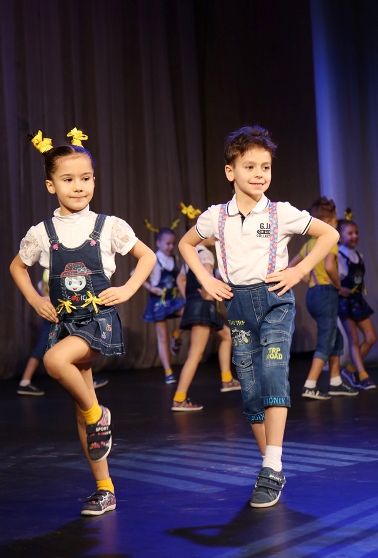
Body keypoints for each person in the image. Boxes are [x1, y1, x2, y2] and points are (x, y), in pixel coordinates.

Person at [179, 125, 339, 508]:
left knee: (273, 372)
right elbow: (186, 244)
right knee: (250, 390)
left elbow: (328, 235)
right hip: (237, 305)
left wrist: (298, 271)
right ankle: (271, 466)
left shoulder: (280, 213)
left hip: (274, 301)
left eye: (265, 167)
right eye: (249, 166)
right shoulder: (216, 217)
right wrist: (206, 278)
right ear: (230, 171)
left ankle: (271, 466)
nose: (259, 174)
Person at [10, 129, 156, 516]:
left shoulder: (109, 226)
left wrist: (127, 289)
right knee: (81, 409)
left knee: (54, 361)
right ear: (51, 185)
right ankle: (105, 489)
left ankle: (99, 415)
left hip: (97, 322)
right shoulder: (42, 233)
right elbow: (17, 267)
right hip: (65, 323)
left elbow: (147, 257)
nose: (78, 186)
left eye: (86, 178)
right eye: (68, 179)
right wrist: (36, 300)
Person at [288, 198, 358, 400]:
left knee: (335, 335)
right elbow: (329, 267)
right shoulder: (330, 241)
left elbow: (292, 266)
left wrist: (310, 280)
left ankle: (335, 381)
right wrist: (338, 285)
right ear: (327, 223)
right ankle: (310, 384)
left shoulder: (309, 244)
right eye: (335, 222)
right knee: (327, 337)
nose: (336, 226)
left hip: (313, 294)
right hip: (326, 293)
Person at [171, 237, 241, 411]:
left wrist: (190, 298)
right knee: (195, 354)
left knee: (227, 336)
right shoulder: (206, 255)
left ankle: (227, 379)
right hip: (203, 306)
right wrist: (206, 295)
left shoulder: (191, 254)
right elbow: (207, 281)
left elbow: (180, 280)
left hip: (196, 304)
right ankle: (179, 398)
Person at [17, 269, 109, 396]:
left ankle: (86, 382)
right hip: (54, 315)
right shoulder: (51, 277)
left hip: (58, 314)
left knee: (75, 345)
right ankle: (25, 381)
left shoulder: (46, 280)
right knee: (46, 347)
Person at [337, 218, 377, 390]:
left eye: (356, 233)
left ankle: (351, 369)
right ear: (340, 236)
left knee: (371, 337)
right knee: (354, 339)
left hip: (357, 299)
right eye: (350, 233)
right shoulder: (338, 255)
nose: (354, 236)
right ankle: (362, 376)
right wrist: (339, 288)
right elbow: (329, 276)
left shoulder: (358, 256)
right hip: (344, 302)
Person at [142, 228, 185, 384]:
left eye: (173, 243)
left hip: (172, 300)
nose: (170, 246)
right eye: (167, 243)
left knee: (188, 311)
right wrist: (151, 288)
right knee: (162, 336)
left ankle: (177, 334)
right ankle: (168, 372)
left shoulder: (174, 258)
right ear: (158, 243)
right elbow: (135, 273)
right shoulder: (153, 259)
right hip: (158, 302)